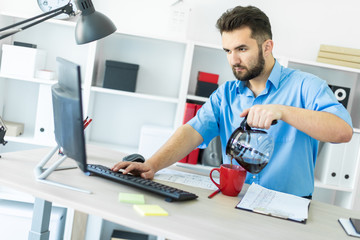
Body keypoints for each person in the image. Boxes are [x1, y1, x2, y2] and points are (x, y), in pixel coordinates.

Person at [112, 5, 353, 197]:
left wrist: (283, 111)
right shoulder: (226, 94)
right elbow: (192, 131)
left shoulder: (307, 86)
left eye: (241, 49)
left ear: (267, 46)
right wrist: (152, 164)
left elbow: (343, 131)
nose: (233, 60)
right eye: (227, 51)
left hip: (288, 206)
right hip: (236, 201)